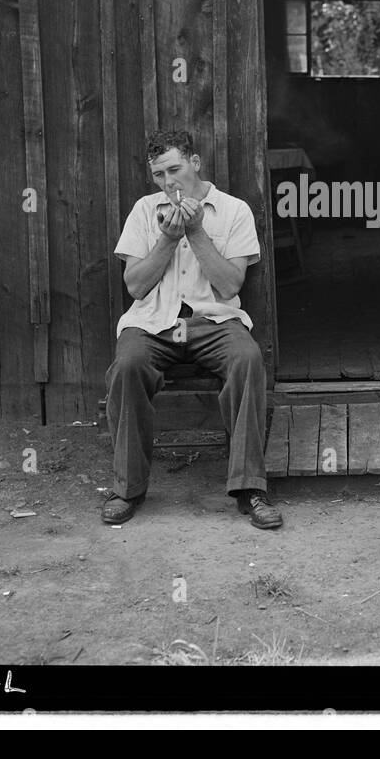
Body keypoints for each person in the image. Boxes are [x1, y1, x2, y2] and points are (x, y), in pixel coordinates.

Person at [102, 129, 282, 530]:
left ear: (195, 163)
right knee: (127, 366)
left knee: (247, 358)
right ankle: (127, 489)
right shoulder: (144, 211)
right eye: (159, 175)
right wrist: (168, 238)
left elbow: (230, 285)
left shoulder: (233, 210)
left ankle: (250, 488)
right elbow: (135, 286)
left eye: (175, 169)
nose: (168, 182)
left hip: (213, 321)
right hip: (153, 322)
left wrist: (197, 231)